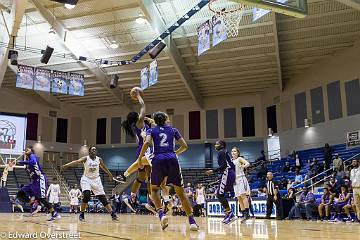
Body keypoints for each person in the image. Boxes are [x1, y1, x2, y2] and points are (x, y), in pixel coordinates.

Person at [136, 111, 198, 230]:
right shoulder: (173, 130)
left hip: (158, 159)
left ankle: (161, 214)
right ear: (165, 119)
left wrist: (140, 158)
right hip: (172, 159)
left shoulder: (151, 130)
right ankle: (192, 222)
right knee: (181, 193)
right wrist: (175, 153)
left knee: (154, 190)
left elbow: (147, 142)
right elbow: (185, 146)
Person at [117, 91, 170, 207]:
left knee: (142, 176)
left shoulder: (139, 123)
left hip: (144, 148)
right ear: (137, 117)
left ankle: (134, 196)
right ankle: (152, 201)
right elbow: (143, 107)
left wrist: (149, 119)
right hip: (146, 149)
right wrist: (139, 97)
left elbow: (150, 120)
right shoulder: (139, 122)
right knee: (149, 176)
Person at [60, 146, 118, 221]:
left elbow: (104, 167)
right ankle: (82, 214)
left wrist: (110, 174)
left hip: (96, 180)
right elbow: (77, 161)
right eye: (92, 150)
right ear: (89, 152)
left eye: (95, 150)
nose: (94, 151)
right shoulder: (86, 158)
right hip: (86, 179)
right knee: (87, 196)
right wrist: (66, 165)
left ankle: (112, 214)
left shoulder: (99, 159)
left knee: (103, 198)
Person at [16, 147, 60, 221]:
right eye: (25, 149)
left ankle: (54, 213)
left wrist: (21, 162)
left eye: (28, 149)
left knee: (42, 199)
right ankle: (32, 201)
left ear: (31, 151)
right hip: (33, 181)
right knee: (20, 193)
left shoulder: (32, 156)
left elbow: (33, 162)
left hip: (40, 179)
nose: (26, 150)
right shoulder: (28, 160)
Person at [206, 140, 236, 224]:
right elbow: (232, 165)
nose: (215, 145)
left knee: (219, 194)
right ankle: (227, 214)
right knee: (220, 194)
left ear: (222, 145)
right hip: (230, 173)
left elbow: (224, 166)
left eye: (217, 144)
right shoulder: (225, 152)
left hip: (227, 172)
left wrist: (213, 171)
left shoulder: (221, 152)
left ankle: (230, 214)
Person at [231, 147, 251, 221]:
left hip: (241, 178)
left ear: (238, 152)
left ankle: (247, 214)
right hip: (234, 181)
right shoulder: (231, 161)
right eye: (232, 151)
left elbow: (248, 163)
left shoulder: (239, 159)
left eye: (235, 151)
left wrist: (243, 166)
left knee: (243, 196)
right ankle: (243, 214)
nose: (233, 152)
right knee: (239, 198)